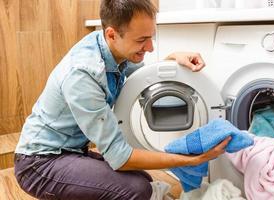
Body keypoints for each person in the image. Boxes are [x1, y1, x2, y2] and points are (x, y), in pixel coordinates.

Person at [14, 0, 230, 199]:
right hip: (39, 164)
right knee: (137, 189)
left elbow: (142, 79)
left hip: (71, 150)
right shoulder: (83, 75)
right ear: (112, 34)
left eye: (151, 38)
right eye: (142, 40)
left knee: (142, 178)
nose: (150, 48)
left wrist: (173, 58)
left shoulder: (109, 48)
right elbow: (121, 157)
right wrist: (192, 160)